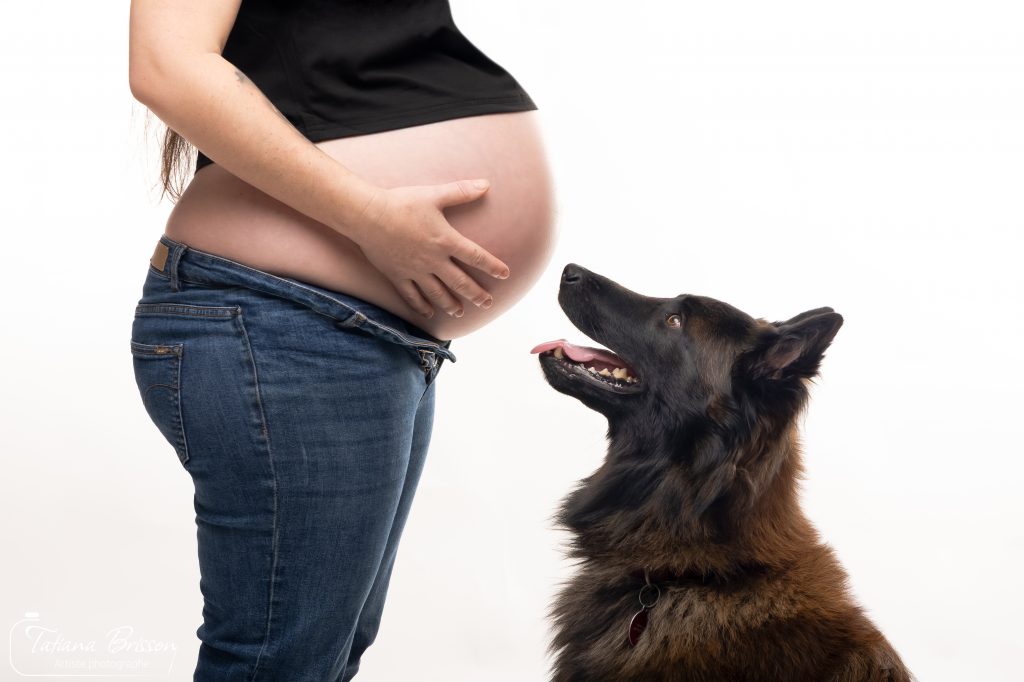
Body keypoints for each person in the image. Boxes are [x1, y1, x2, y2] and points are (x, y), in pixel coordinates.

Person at [127, 1, 557, 680]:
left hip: (351, 331)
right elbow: (166, 66)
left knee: (322, 657)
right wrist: (371, 219)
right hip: (282, 319)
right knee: (282, 662)